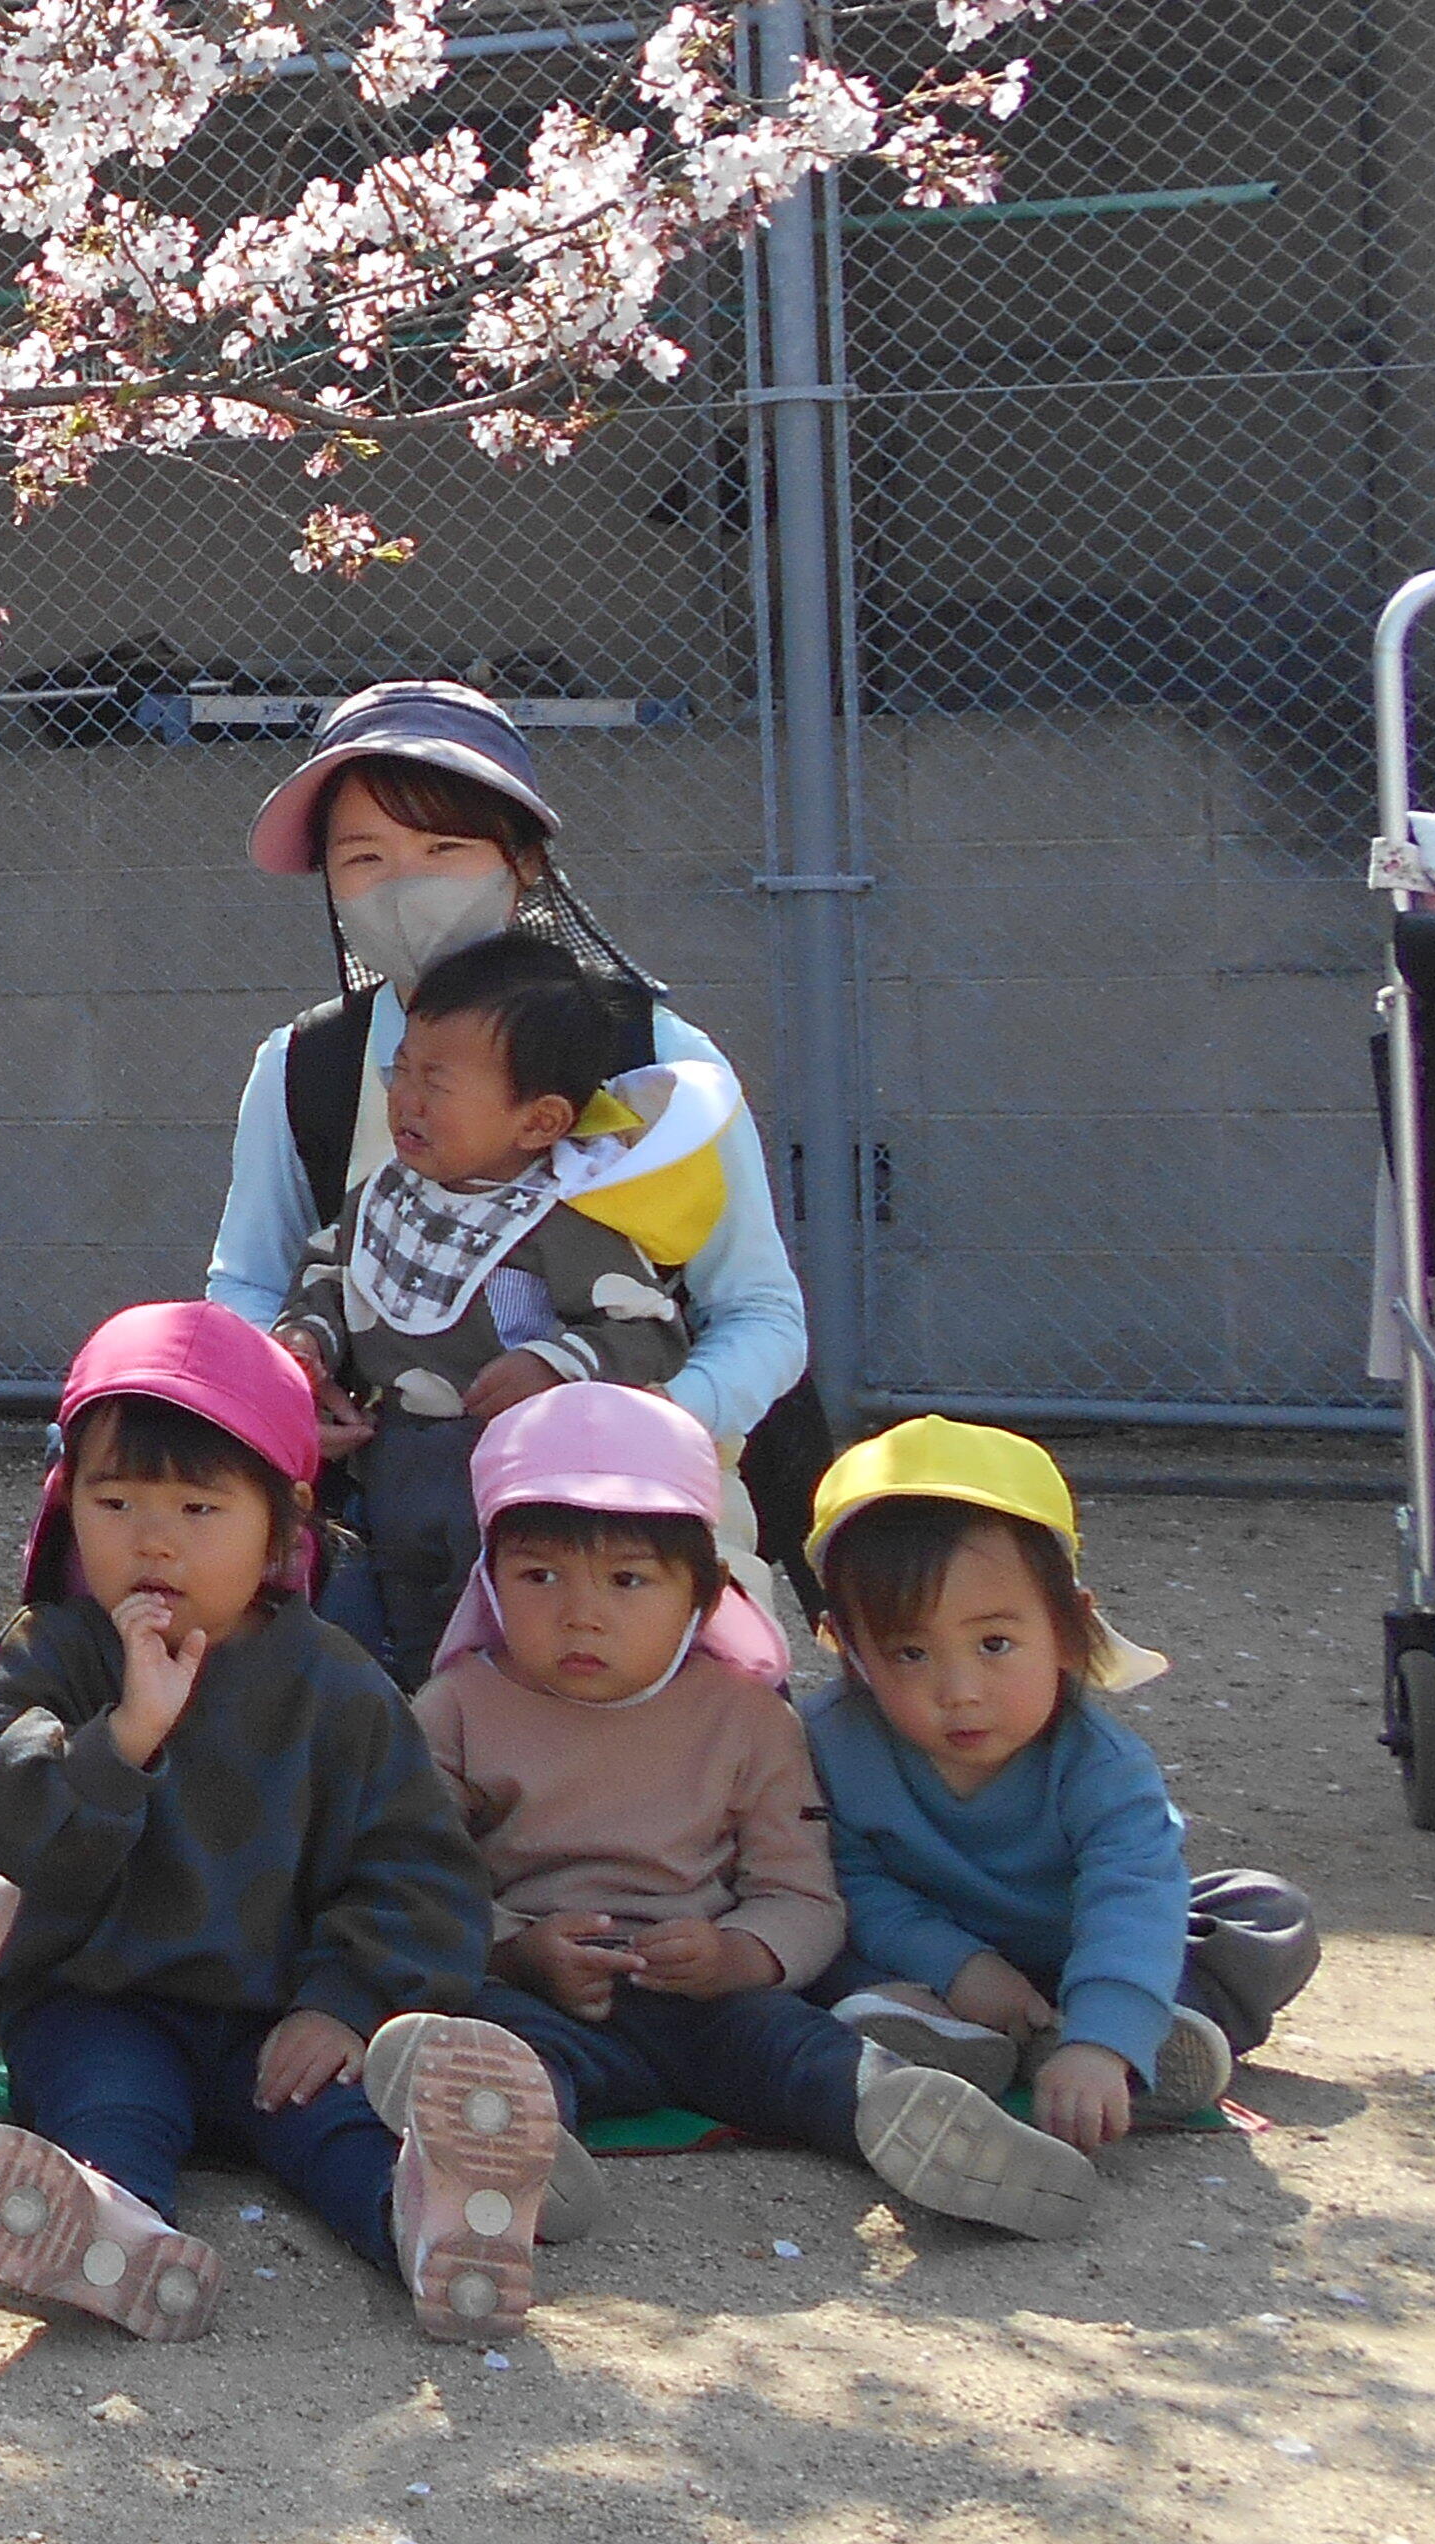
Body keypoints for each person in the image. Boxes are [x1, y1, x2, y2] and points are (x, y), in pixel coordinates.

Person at [0, 1304, 542, 2344]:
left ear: (282, 1525)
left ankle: (437, 2233)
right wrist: (121, 1737)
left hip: (278, 2012)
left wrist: (344, 2003)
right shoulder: (55, 1653)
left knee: (337, 2128)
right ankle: (115, 2235)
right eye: (113, 1500)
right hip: (100, 1997)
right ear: (65, 1504)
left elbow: (423, 1873)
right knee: (105, 2110)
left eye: (199, 1509)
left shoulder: (338, 1685)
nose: (152, 1538)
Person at [418, 1385, 1094, 2240]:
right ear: (489, 1579)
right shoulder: (453, 1711)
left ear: (702, 1595)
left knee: (808, 2056)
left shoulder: (748, 1720)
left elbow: (804, 1894)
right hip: (542, 1995)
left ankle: (919, 2128)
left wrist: (737, 1955)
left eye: (628, 1579)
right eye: (538, 1575)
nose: (580, 1612)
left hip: (711, 1999)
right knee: (498, 2051)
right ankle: (516, 2155)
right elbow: (418, 1878)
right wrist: (517, 1948)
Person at [203, 681, 813, 1600]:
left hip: (628, 1521)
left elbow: (761, 1314)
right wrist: (281, 1391)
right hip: (386, 1511)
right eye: (363, 857)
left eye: (444, 849)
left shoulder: (655, 1063)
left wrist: (652, 1418)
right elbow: (247, 1281)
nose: (404, 885)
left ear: (523, 860)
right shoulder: (304, 1068)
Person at [798, 1419, 1322, 2145]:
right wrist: (961, 1965)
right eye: (909, 1653)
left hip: (1083, 1943)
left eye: (995, 1644)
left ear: (1070, 1631)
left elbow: (1130, 1897)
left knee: (1265, 1913)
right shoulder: (829, 1743)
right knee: (808, 1933)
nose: (960, 1690)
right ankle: (942, 2035)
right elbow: (853, 1880)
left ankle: (1140, 2034)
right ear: (849, 1651)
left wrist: (1099, 2040)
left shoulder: (1100, 1765)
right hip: (924, 1957)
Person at [281, 931, 734, 1680]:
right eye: (402, 1071)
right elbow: (332, 1271)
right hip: (392, 1463)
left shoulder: (561, 1222)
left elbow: (648, 1331)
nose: (407, 1099)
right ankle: (426, 1753)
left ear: (540, 1121)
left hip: (513, 1483)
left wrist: (554, 1365)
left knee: (494, 1634)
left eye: (438, 1082)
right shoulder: (382, 1195)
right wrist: (306, 1340)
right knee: (405, 1626)